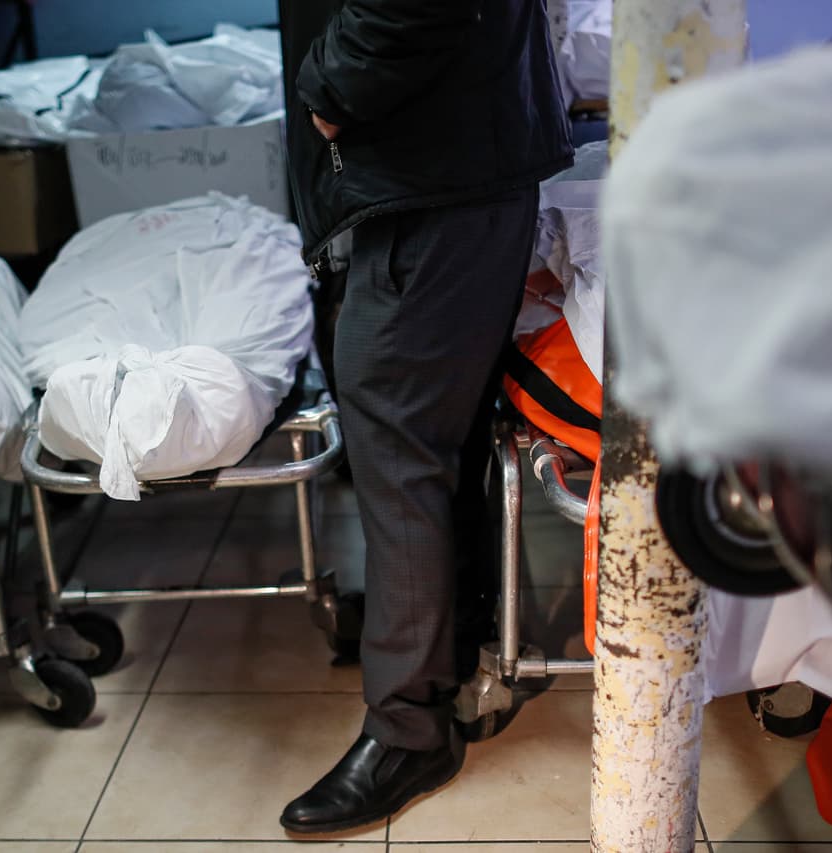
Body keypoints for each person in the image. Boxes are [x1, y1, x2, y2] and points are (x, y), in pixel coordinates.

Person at [277, 0, 573, 833]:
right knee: (438, 437)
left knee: (399, 442)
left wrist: (330, 86)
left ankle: (409, 730)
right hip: (445, 161)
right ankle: (455, 649)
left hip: (424, 169)